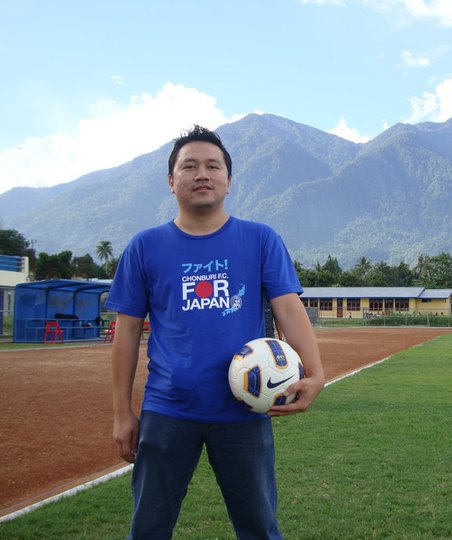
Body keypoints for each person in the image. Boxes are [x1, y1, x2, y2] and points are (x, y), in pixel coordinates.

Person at [108, 125, 324, 539]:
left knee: (259, 528)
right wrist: (122, 412)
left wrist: (315, 373)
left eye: (213, 165)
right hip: (168, 411)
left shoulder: (260, 239)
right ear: (172, 182)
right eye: (189, 166)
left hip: (243, 412)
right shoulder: (144, 246)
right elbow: (127, 333)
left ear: (229, 180)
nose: (201, 173)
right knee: (148, 529)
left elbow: (288, 309)